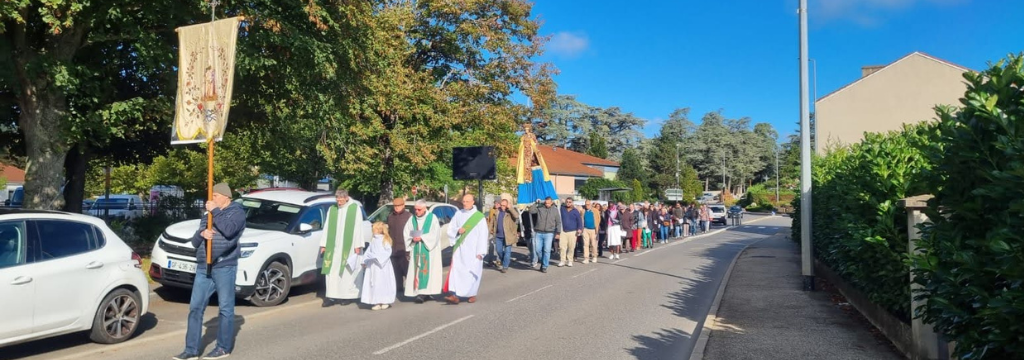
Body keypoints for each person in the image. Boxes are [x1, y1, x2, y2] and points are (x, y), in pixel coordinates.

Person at [174, 183, 245, 360]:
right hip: (204, 266)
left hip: (224, 266)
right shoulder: (209, 213)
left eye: (215, 195)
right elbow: (194, 241)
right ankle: (191, 350)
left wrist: (215, 212)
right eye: (211, 196)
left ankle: (223, 348)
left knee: (225, 309)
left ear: (225, 197)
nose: (211, 199)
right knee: (195, 307)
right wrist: (202, 234)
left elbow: (229, 231)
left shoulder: (237, 212)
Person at [320, 189, 365, 307]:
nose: (339, 201)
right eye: (337, 198)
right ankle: (331, 296)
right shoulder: (332, 209)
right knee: (331, 270)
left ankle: (348, 296)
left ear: (346, 198)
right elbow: (327, 227)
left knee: (347, 271)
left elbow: (358, 227)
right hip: (333, 246)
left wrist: (358, 245)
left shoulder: (354, 209)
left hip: (349, 246)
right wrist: (324, 244)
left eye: (341, 199)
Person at [444, 194, 489, 304]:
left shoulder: (479, 217)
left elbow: (483, 235)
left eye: (467, 201)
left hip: (473, 249)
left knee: (471, 272)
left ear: (473, 202)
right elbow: (451, 228)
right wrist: (457, 230)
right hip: (460, 248)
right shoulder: (458, 214)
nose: (465, 203)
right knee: (457, 271)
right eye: (463, 201)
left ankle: (471, 294)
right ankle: (454, 295)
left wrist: (481, 251)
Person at [404, 200, 442, 303]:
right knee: (417, 270)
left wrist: (422, 238)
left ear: (425, 208)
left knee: (428, 270)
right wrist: (412, 238)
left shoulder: (432, 218)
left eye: (419, 209)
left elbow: (436, 234)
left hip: (429, 250)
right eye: (415, 209)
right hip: (416, 248)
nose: (417, 211)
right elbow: (406, 232)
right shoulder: (412, 219)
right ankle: (419, 293)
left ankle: (426, 293)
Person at [361, 222, 396, 310]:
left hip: (382, 266)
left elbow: (388, 251)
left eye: (375, 229)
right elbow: (369, 250)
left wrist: (378, 258)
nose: (373, 231)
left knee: (383, 282)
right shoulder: (373, 240)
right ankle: (376, 301)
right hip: (373, 266)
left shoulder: (385, 239)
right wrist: (365, 260)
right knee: (374, 283)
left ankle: (385, 300)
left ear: (380, 230)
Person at [386, 197, 413, 294]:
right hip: (394, 247)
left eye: (399, 206)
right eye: (395, 206)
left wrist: (411, 246)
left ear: (403, 205)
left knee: (407, 269)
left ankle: (410, 289)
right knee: (395, 269)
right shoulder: (390, 217)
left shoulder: (409, 216)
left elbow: (412, 231)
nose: (397, 208)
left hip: (405, 247)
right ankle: (398, 287)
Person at [528, 197, 561, 273]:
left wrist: (558, 233)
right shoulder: (540, 208)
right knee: (537, 250)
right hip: (539, 232)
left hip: (549, 233)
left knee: (547, 250)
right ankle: (543, 261)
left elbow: (558, 222)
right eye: (546, 203)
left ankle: (544, 266)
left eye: (548, 203)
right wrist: (536, 203)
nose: (547, 204)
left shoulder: (555, 210)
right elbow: (531, 211)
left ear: (551, 202)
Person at [488, 199, 519, 273]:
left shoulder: (510, 212)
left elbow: (517, 216)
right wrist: (488, 232)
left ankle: (505, 266)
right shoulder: (497, 212)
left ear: (507, 205)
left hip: (508, 236)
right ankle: (505, 260)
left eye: (504, 205)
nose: (502, 207)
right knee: (498, 251)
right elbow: (491, 223)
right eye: (501, 205)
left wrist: (510, 208)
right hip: (498, 235)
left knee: (507, 252)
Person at [558, 197, 582, 267]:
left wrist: (579, 228)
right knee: (562, 247)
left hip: (573, 232)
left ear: (572, 203)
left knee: (571, 247)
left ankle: (570, 260)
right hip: (563, 231)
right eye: (567, 202)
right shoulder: (562, 209)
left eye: (570, 202)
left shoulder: (575, 211)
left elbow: (579, 221)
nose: (568, 203)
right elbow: (557, 203)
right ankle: (562, 260)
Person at [581, 200, 600, 264]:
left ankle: (594, 256)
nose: (587, 206)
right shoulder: (583, 211)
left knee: (593, 244)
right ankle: (586, 258)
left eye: (588, 204)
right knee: (585, 244)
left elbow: (598, 219)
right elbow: (582, 218)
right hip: (585, 229)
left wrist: (596, 227)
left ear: (591, 204)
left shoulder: (595, 211)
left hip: (593, 229)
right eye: (586, 204)